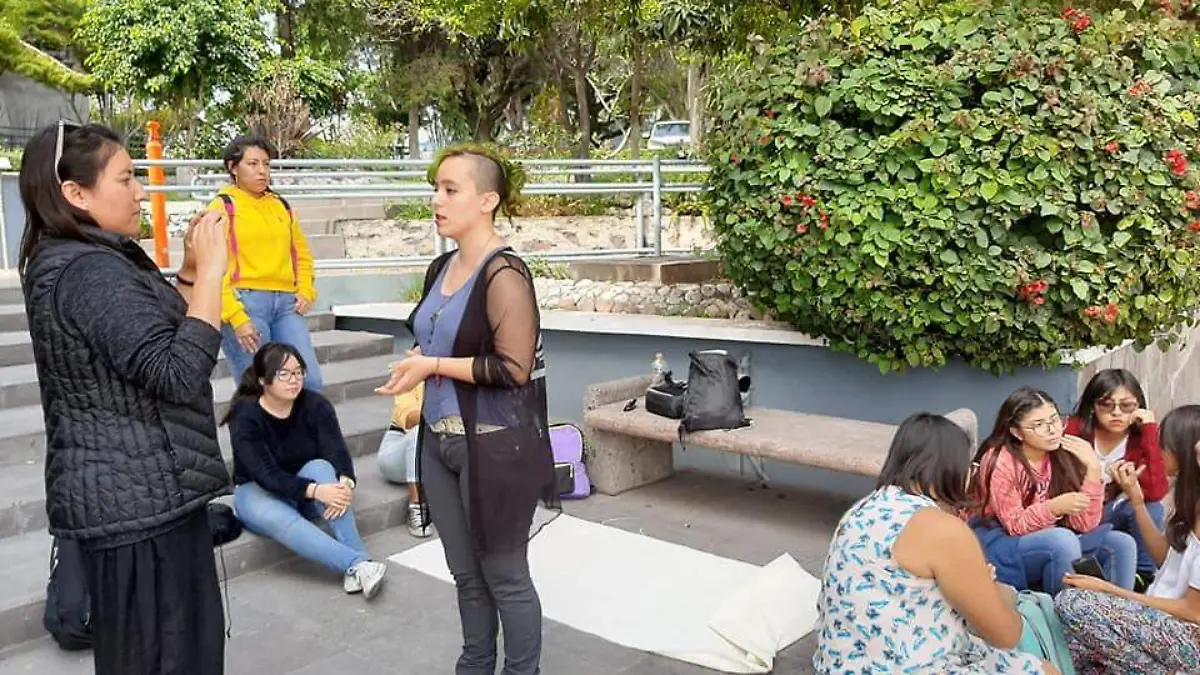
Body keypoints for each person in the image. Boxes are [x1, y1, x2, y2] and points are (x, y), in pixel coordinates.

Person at [19, 121, 231, 674]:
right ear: (76, 194)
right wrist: (212, 272)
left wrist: (186, 276)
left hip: (145, 499)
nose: (142, 191)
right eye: (127, 178)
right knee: (166, 657)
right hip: (137, 514)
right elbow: (177, 371)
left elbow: (158, 340)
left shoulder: (91, 258)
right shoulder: (88, 271)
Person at [376, 144, 556, 675]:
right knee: (466, 575)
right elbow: (437, 340)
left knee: (504, 576)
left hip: (495, 447)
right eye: (435, 188)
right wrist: (418, 361)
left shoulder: (505, 275)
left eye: (450, 190)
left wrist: (431, 365)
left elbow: (512, 369)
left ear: (487, 200)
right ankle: (474, 665)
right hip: (439, 443)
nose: (437, 200)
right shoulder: (441, 267)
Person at [814, 413, 1054, 674]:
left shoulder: (864, 509)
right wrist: (993, 589)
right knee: (1043, 669)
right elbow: (1006, 635)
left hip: (838, 664)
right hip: (905, 667)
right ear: (954, 469)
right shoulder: (943, 529)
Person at [225, 342, 387, 599]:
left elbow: (336, 452)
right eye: (284, 374)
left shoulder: (315, 405)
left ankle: (358, 564)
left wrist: (345, 484)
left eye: (299, 372)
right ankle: (358, 564)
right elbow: (266, 475)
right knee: (281, 516)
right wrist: (316, 490)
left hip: (308, 492)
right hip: (258, 492)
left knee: (322, 467)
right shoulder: (245, 415)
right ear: (262, 379)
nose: (294, 380)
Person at [1055, 405, 1200, 674]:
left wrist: (1110, 591)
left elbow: (1194, 612)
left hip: (1189, 637)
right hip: (1164, 621)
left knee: (1072, 604)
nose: (1157, 452)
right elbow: (1165, 560)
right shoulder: (1189, 498)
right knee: (1073, 642)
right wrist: (1136, 499)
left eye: (1163, 446)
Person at [970, 387, 1137, 595]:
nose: (1052, 430)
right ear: (1016, 432)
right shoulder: (1001, 460)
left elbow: (1085, 525)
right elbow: (1014, 524)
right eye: (1038, 425)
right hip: (1002, 542)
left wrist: (1094, 471)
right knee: (1062, 540)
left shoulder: (1064, 452)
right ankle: (1065, 620)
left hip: (1055, 533)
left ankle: (1120, 620)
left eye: (1055, 420)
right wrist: (1054, 507)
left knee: (1121, 543)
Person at [208, 135, 322, 391]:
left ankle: (301, 432)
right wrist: (237, 317)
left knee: (308, 382)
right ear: (232, 167)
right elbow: (213, 268)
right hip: (246, 303)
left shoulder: (281, 206)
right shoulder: (222, 207)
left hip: (286, 305)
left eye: (266, 164)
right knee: (258, 389)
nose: (262, 171)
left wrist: (305, 290)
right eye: (252, 164)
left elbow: (301, 255)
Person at [1066, 368, 1167, 589]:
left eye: (1126, 406)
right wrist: (1101, 476)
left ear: (1138, 405)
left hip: (1116, 509)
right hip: (1079, 510)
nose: (1117, 413)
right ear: (1093, 406)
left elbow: (1156, 490)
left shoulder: (1141, 437)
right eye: (1107, 405)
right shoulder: (1074, 430)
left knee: (1153, 508)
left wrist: (1150, 430)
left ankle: (1143, 576)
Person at [377, 381, 435, 537]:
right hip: (396, 453)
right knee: (419, 431)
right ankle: (417, 506)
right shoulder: (410, 376)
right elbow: (409, 418)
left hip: (432, 454)